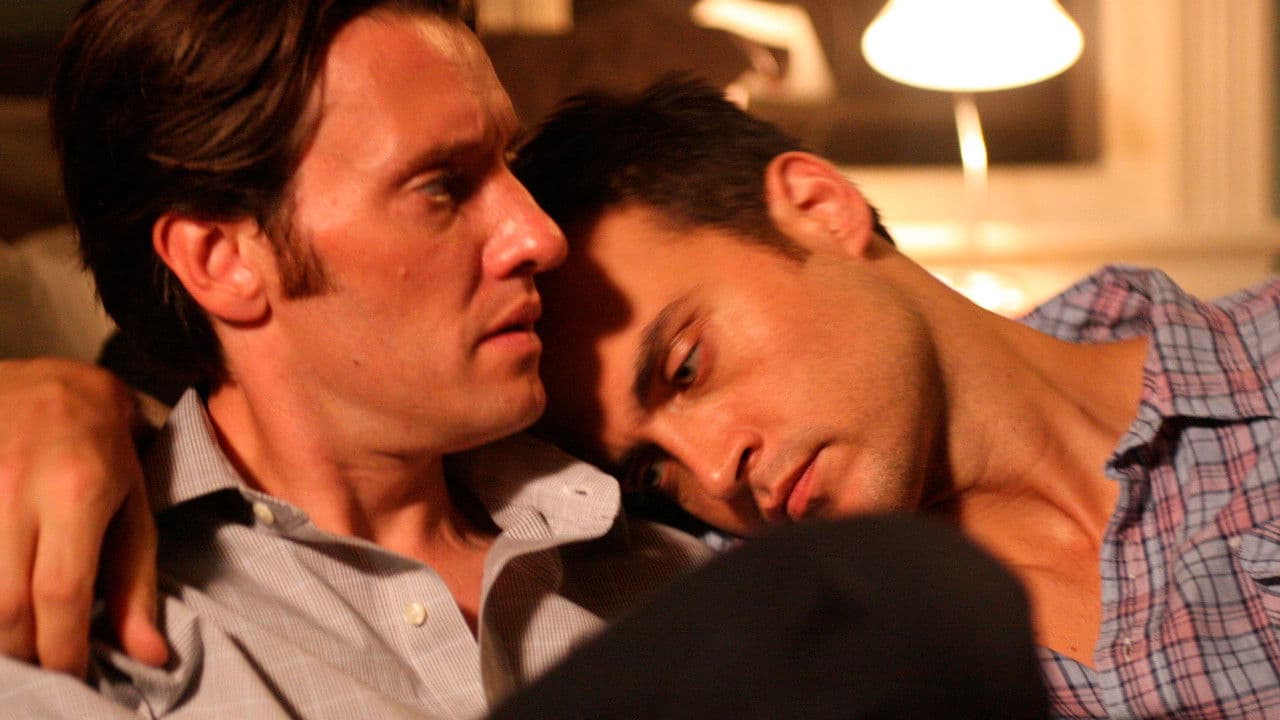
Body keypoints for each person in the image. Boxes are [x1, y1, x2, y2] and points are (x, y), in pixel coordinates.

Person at [0, 2, 714, 717]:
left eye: (510, 162)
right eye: (441, 185)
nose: (539, 236)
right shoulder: (89, 639)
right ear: (222, 261)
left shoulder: (675, 544)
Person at [505, 78, 1280, 718]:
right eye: (652, 470)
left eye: (687, 367)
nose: (712, 472)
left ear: (819, 208)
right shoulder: (779, 654)